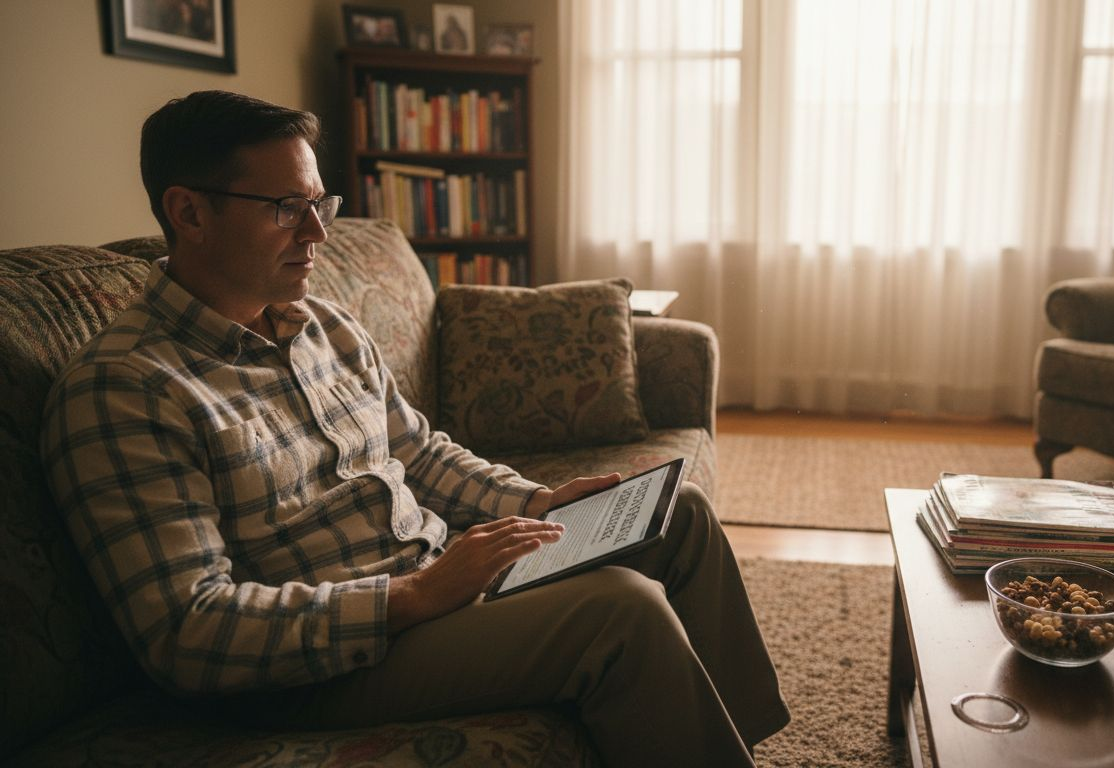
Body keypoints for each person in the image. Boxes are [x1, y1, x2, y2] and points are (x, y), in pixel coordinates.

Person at [40, 90, 788, 766]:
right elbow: (190, 631)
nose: (317, 233)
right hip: (322, 666)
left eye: (319, 204)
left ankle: (732, 744)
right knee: (620, 610)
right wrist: (415, 596)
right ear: (190, 213)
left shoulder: (320, 326)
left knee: (677, 514)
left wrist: (537, 503)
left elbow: (419, 455)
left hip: (436, 582)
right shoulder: (126, 389)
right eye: (286, 208)